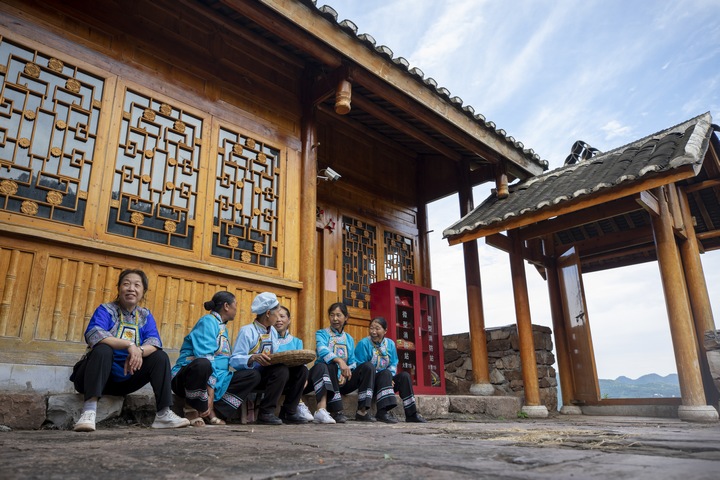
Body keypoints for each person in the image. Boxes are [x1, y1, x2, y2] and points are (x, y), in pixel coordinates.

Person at [70, 269, 190, 432]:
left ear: (143, 291)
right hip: (93, 377)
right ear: (119, 288)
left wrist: (139, 351)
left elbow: (154, 342)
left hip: (124, 380)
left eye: (136, 285)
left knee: (160, 357)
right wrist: (129, 345)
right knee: (103, 349)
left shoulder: (145, 315)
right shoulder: (106, 310)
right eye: (126, 284)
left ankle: (163, 413)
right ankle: (89, 411)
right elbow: (94, 334)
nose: (131, 288)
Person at [171, 291, 261, 426]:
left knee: (252, 375)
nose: (237, 308)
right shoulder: (207, 322)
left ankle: (213, 411)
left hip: (218, 378)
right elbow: (205, 355)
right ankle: (191, 408)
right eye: (235, 304)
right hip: (188, 378)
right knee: (202, 364)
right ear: (226, 306)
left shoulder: (222, 327)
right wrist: (211, 392)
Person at [229, 292, 309, 425]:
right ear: (268, 314)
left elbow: (275, 354)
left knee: (301, 370)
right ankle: (266, 412)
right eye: (277, 313)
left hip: (270, 377)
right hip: (253, 377)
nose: (278, 318)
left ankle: (289, 411)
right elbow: (234, 360)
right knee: (280, 370)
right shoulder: (247, 331)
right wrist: (252, 358)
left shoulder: (272, 332)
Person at [355, 317, 428, 423]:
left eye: (377, 328)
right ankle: (382, 412)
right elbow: (361, 367)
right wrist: (386, 376)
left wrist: (390, 377)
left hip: (386, 382)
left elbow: (394, 363)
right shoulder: (363, 344)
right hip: (368, 385)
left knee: (404, 377)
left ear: (385, 330)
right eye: (371, 328)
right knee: (385, 373)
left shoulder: (390, 344)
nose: (373, 331)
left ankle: (411, 414)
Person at [275, 305, 336, 424]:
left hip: (299, 381)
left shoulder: (297, 341)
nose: (278, 320)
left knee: (321, 367)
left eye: (282, 316)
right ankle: (299, 403)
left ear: (289, 320)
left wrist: (305, 376)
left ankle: (321, 410)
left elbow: (301, 363)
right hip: (279, 380)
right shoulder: (268, 340)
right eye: (276, 316)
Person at [315, 302, 375, 423]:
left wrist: (345, 373)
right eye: (332, 315)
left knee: (368, 367)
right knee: (330, 364)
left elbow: (353, 361)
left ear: (346, 317)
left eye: (338, 315)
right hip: (328, 380)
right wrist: (339, 361)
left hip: (344, 380)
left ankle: (362, 411)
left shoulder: (349, 338)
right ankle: (336, 411)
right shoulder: (321, 334)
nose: (335, 319)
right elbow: (322, 350)